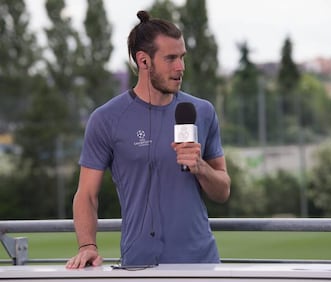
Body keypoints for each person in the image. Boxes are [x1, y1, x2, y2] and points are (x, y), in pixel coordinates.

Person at [66, 10, 230, 269]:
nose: (180, 67)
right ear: (144, 61)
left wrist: (201, 168)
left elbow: (223, 191)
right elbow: (86, 195)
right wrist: (87, 246)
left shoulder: (203, 111)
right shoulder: (106, 119)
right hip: (139, 265)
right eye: (170, 59)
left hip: (202, 265)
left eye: (182, 57)